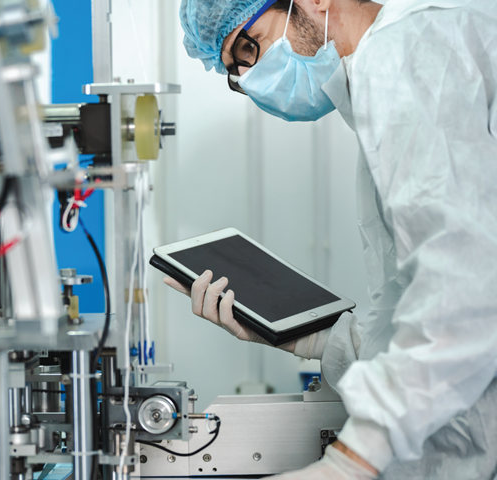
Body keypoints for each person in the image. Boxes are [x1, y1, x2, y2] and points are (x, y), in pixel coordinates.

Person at [170, 0, 497, 478]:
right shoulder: (379, 87)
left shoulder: (403, 58)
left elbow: (464, 295)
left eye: (248, 46)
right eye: (236, 73)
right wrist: (318, 339)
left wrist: (350, 462)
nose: (252, 79)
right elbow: (420, 302)